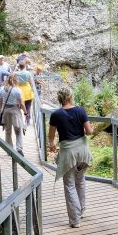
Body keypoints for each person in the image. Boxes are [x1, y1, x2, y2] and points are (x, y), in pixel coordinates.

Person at [48, 86, 93, 227]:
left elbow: (51, 136)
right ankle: (81, 210)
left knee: (69, 185)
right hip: (83, 153)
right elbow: (89, 131)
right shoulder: (80, 110)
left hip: (68, 154)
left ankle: (75, 220)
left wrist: (52, 145)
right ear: (70, 97)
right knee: (80, 180)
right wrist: (91, 128)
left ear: (60, 98)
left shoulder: (56, 115)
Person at [0, 74, 25, 155]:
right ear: (16, 80)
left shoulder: (2, 89)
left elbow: (0, 102)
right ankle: (19, 149)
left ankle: (9, 149)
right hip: (15, 110)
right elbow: (21, 104)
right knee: (18, 130)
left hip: (6, 111)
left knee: (8, 131)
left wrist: (2, 110)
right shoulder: (17, 90)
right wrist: (25, 112)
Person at [16, 61, 35, 126]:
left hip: (19, 90)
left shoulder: (16, 73)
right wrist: (32, 90)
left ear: (19, 67)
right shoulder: (28, 73)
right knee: (28, 106)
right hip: (27, 90)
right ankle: (27, 120)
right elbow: (31, 82)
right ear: (25, 66)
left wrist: (16, 69)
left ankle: (19, 120)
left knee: (18, 106)